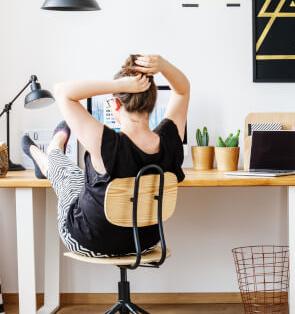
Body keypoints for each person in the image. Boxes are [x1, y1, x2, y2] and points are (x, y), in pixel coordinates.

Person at [23, 54, 190, 257]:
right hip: (145, 243)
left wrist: (118, 85)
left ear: (116, 105)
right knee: (78, 178)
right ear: (152, 104)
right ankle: (49, 157)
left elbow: (61, 92)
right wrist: (163, 65)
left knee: (70, 178)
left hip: (89, 242)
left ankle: (51, 150)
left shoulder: (107, 143)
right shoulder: (170, 140)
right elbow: (182, 91)